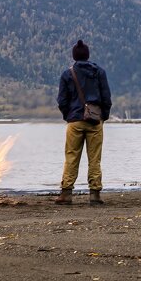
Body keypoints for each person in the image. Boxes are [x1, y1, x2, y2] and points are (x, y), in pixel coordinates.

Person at [56, 39, 112, 205]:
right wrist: (103, 116)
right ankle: (95, 194)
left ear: (74, 56)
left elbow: (62, 100)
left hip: (74, 121)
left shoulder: (67, 74)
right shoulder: (99, 72)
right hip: (95, 121)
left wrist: (69, 116)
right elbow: (106, 98)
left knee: (71, 157)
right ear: (87, 55)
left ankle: (66, 193)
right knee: (95, 159)